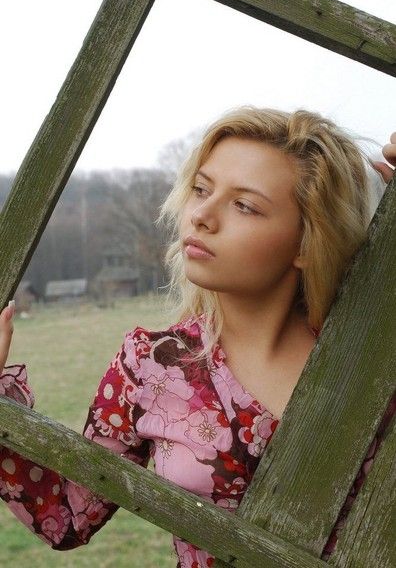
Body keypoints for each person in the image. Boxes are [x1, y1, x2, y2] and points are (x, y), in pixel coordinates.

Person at [0, 106, 395, 567]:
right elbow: (67, 515)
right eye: (201, 190)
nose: (201, 216)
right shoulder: (152, 363)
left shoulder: (374, 353)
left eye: (244, 205)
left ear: (308, 240)